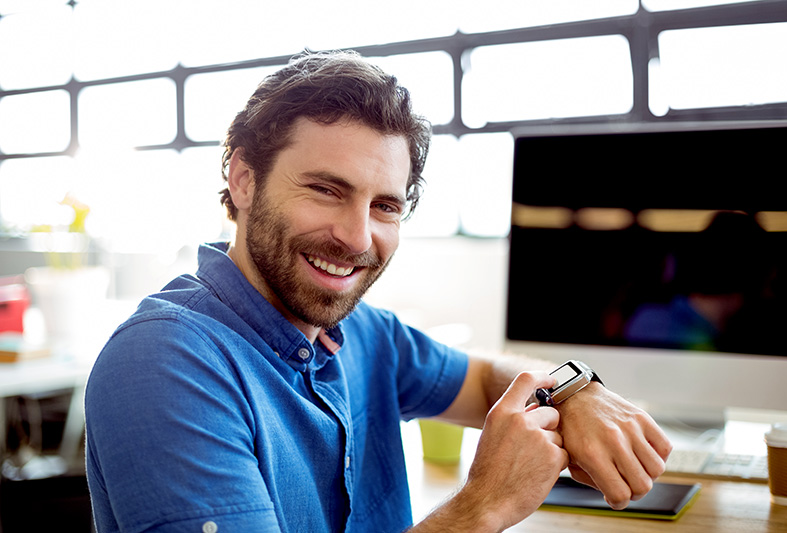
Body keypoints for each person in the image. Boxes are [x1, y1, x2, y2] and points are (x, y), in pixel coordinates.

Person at [84, 50, 671, 533]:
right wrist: (482, 506)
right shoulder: (164, 362)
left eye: (385, 205)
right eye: (324, 189)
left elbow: (491, 380)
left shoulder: (365, 332)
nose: (357, 236)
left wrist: (575, 392)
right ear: (243, 179)